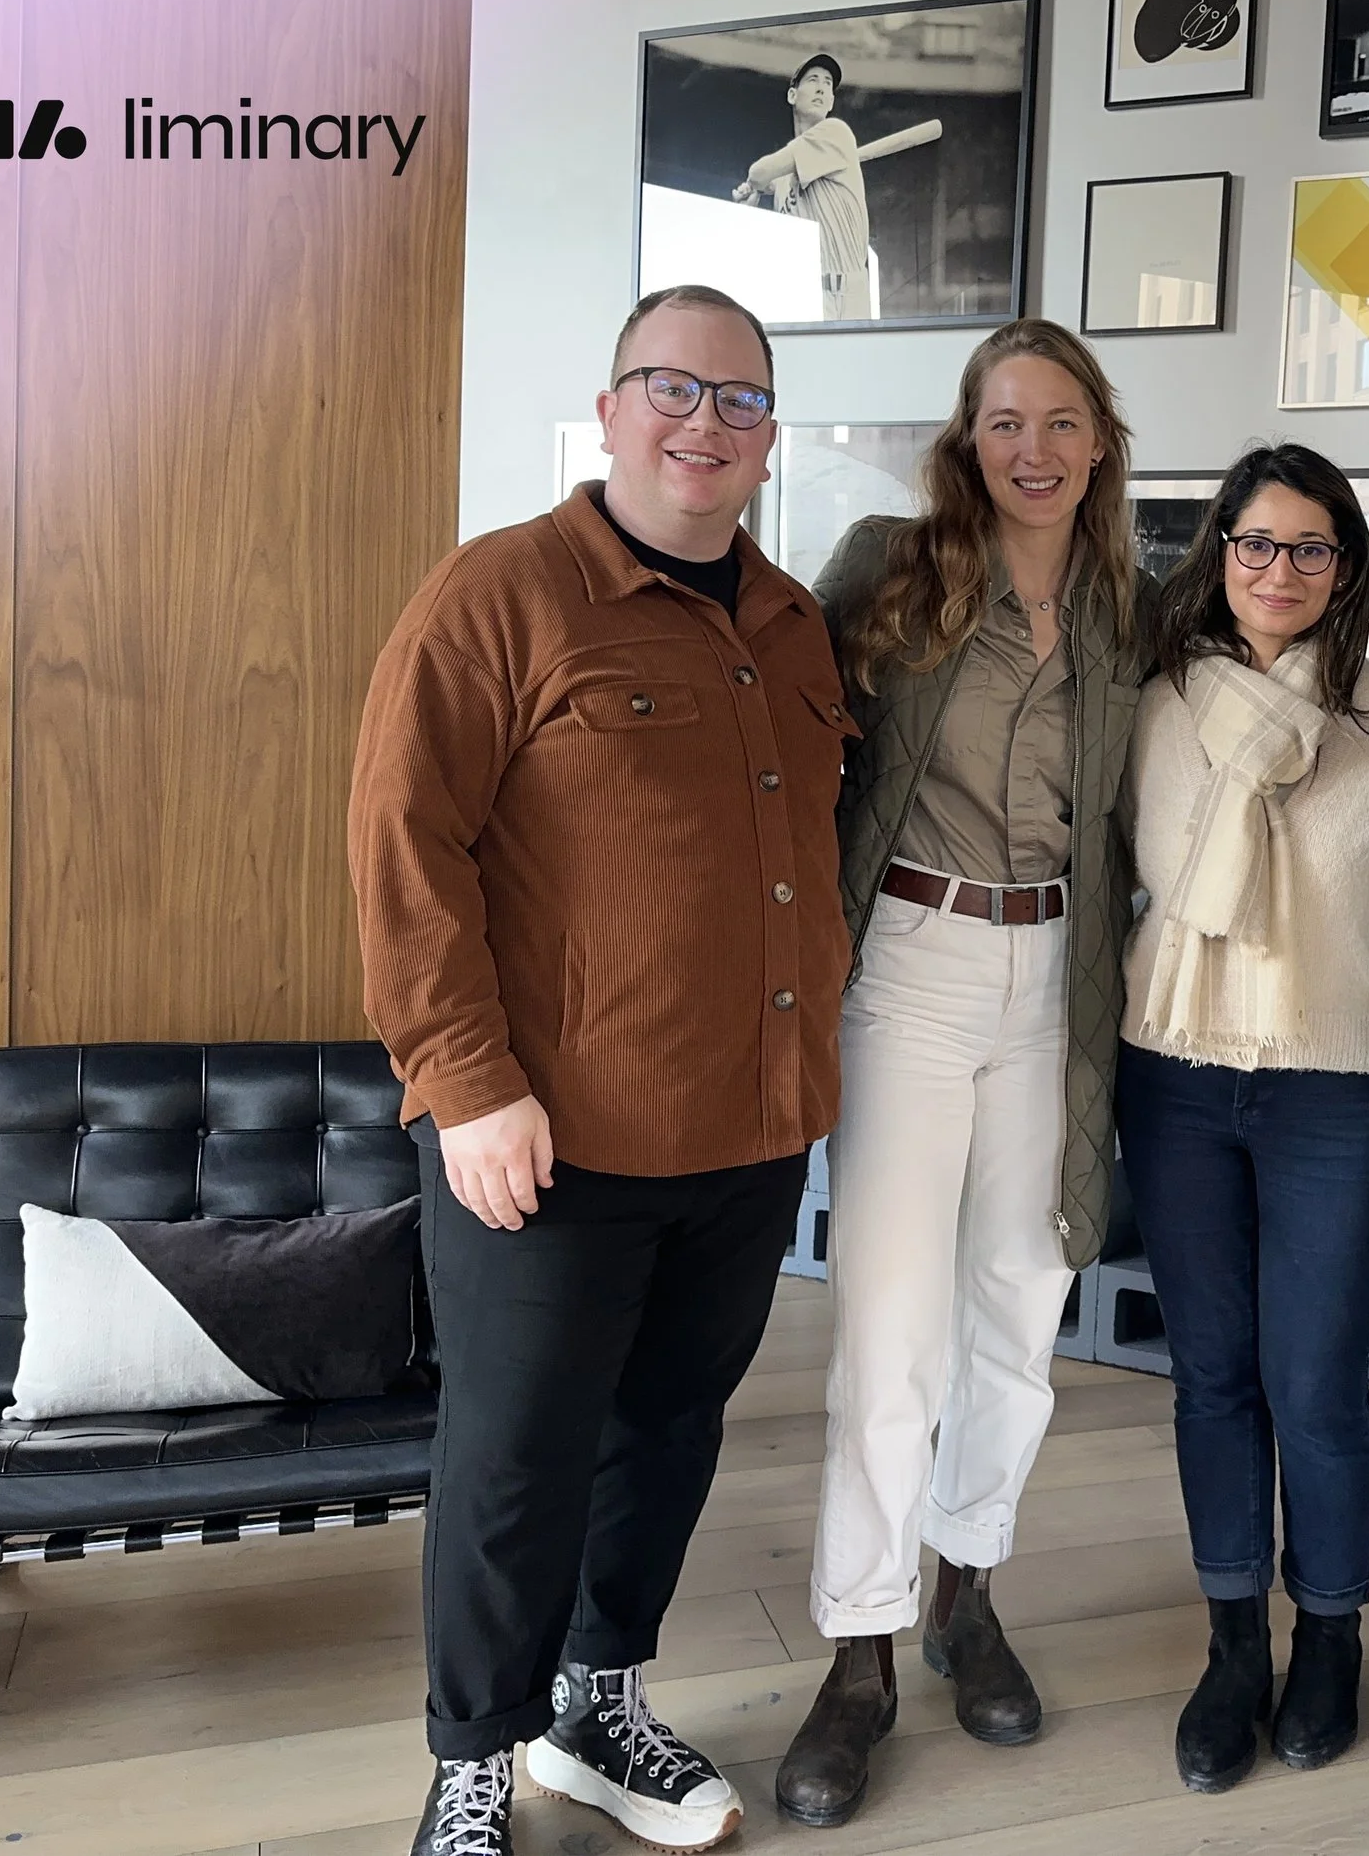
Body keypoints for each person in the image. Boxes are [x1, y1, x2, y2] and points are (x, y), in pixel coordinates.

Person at [350, 284, 854, 1856]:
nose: (706, 424)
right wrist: (464, 1073)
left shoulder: (791, 620)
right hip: (545, 1139)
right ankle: (473, 1765)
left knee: (668, 1434)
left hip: (751, 1128)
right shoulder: (496, 594)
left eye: (740, 400)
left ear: (770, 436)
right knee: (513, 1457)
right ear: (614, 405)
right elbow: (402, 844)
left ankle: (599, 1696)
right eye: (673, 388)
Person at [774, 318, 1150, 1827]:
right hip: (913, 962)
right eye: (1007, 421)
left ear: (1101, 438)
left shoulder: (1135, 607)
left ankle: (966, 1588)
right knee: (891, 1320)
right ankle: (859, 1646)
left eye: (1061, 421)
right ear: (969, 435)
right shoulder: (890, 563)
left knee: (1019, 1297)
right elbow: (773, 709)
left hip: (1060, 976)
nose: (1034, 450)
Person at [1114, 444, 1369, 1794]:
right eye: (1257, 543)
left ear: (1348, 568)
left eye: (1312, 548)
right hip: (1176, 1073)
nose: (1280, 572)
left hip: (1339, 1086)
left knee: (1314, 1378)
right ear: (1218, 553)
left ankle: (1333, 1634)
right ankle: (1233, 1640)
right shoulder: (1160, 700)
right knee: (1215, 1375)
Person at [734, 52, 872, 322]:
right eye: (813, 80)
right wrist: (752, 203)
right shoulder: (783, 183)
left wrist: (755, 184)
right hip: (803, 296)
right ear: (792, 95)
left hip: (846, 296)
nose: (822, 87)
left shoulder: (836, 132)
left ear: (831, 101)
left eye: (828, 83)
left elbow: (759, 172)